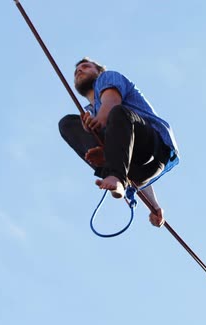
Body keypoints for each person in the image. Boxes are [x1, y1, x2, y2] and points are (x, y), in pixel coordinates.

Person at [58, 57, 179, 227]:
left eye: (85, 66)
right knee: (68, 124)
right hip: (133, 168)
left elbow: (112, 101)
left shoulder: (107, 78)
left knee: (117, 113)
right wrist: (154, 206)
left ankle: (113, 171)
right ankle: (111, 166)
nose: (79, 70)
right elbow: (125, 151)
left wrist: (99, 119)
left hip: (152, 148)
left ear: (99, 71)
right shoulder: (89, 113)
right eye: (76, 70)